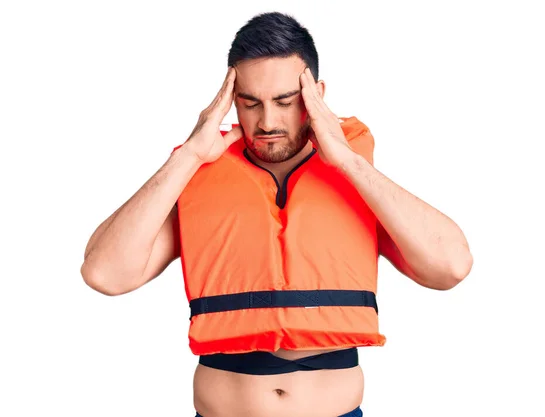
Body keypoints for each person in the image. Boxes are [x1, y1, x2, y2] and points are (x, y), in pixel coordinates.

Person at [80, 11, 473, 417]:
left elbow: (451, 266)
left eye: (285, 102)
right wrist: (190, 155)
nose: (267, 121)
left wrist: (348, 162)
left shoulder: (357, 180)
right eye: (250, 104)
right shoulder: (203, 176)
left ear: (315, 95)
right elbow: (104, 274)